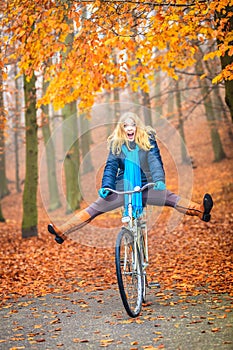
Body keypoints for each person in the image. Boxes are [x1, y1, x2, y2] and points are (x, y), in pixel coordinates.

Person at [48, 112, 213, 244]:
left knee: (170, 198)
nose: (129, 128)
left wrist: (159, 180)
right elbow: (111, 167)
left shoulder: (148, 142)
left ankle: (200, 211)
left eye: (132, 125)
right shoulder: (116, 145)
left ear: (137, 127)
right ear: (121, 129)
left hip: (146, 186)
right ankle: (62, 232)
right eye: (125, 125)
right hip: (123, 187)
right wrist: (106, 186)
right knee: (94, 209)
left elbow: (155, 161)